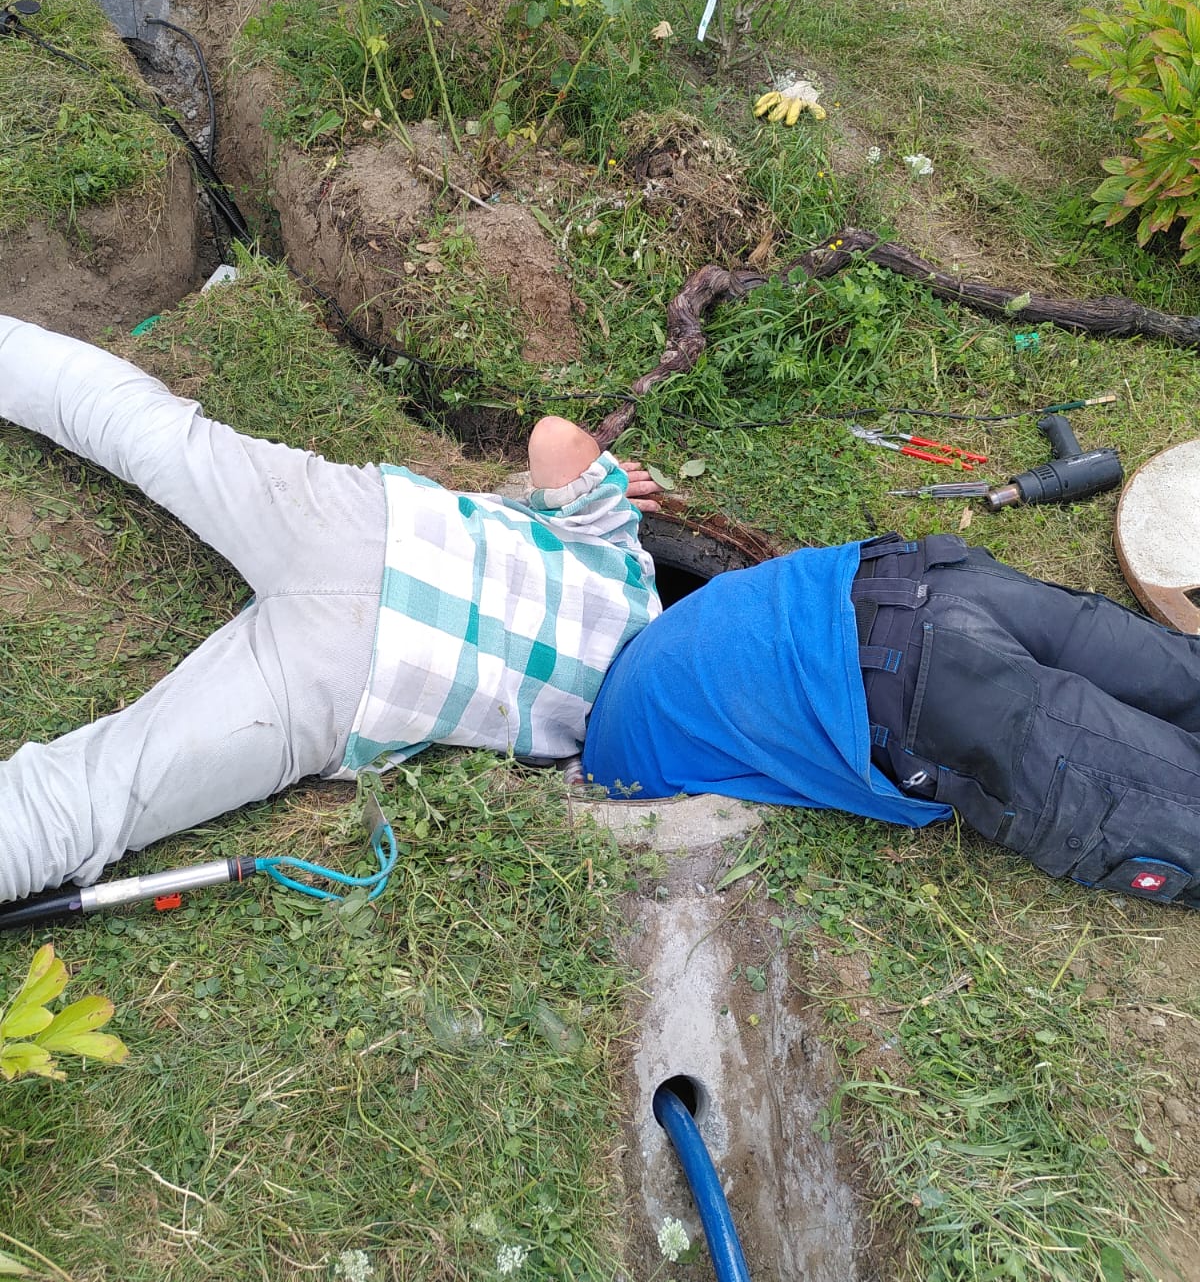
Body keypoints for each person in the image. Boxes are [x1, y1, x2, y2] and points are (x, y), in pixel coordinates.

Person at [0, 314, 662, 908]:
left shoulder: (624, 563)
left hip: (364, 532)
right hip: (359, 685)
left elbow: (551, 438)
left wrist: (599, 478)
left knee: (155, 437)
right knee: (106, 794)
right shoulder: (611, 738)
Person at [582, 530, 1200, 910]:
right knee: (1181, 674)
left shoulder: (612, 768)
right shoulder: (665, 638)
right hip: (920, 575)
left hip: (916, 686)